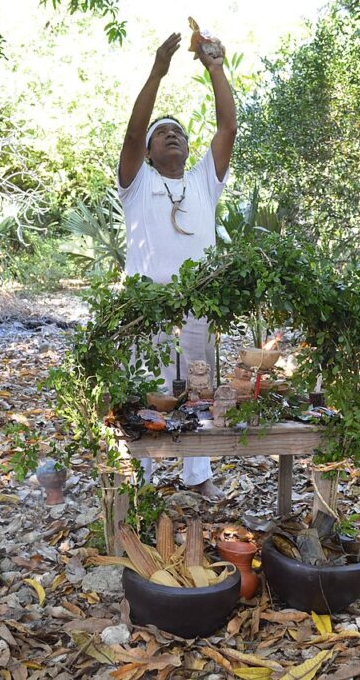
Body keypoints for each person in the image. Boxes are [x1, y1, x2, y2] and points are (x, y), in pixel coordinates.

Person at [117, 32, 236, 500]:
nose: (172, 134)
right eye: (161, 132)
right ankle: (143, 478)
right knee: (148, 389)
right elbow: (130, 133)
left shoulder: (204, 183)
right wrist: (158, 72)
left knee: (199, 391)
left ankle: (197, 475)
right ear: (147, 152)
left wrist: (215, 67)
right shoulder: (137, 183)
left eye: (179, 132)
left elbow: (226, 128)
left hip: (198, 305)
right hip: (147, 306)